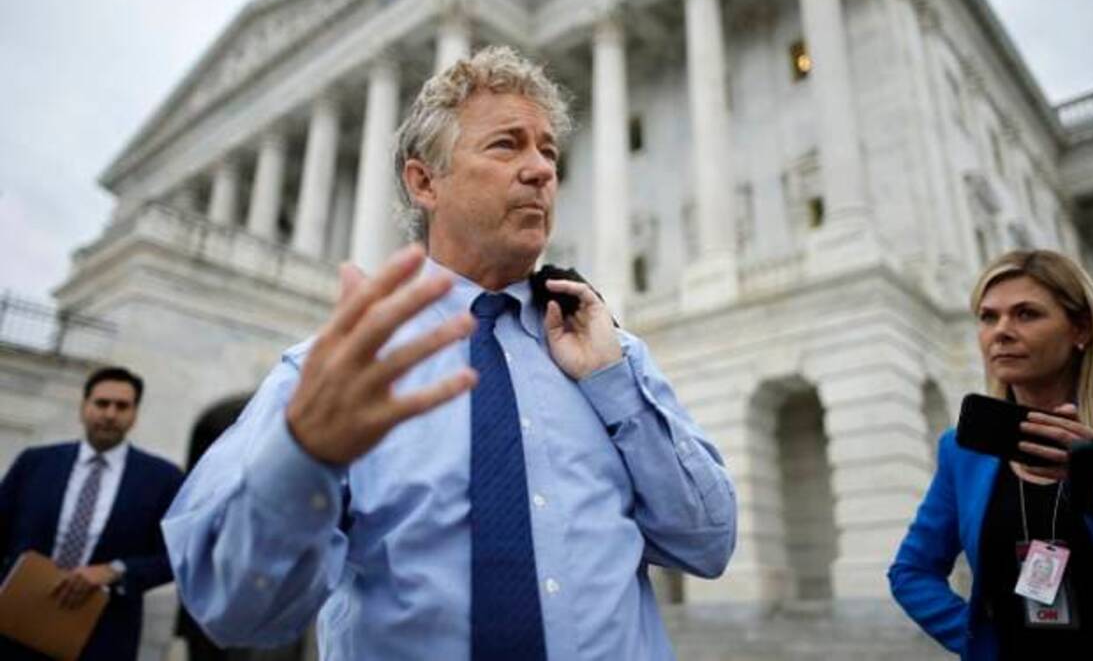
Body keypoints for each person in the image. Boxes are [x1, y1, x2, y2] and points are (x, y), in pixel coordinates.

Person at [163, 46, 737, 660]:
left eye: (548, 150)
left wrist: (614, 384)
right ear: (424, 181)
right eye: (506, 145)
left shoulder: (605, 352)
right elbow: (232, 608)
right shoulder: (332, 374)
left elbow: (708, 543)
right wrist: (303, 455)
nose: (541, 170)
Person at [889, 249, 1093, 660]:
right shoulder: (962, 450)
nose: (1001, 331)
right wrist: (982, 642)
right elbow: (911, 571)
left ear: (1080, 329)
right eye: (988, 317)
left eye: (1026, 314)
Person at [0, 366, 185, 661]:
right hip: (16, 625)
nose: (110, 414)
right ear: (84, 407)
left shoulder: (162, 479)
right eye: (101, 403)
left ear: (135, 414)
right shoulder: (34, 464)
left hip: (103, 636)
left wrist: (115, 570)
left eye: (122, 406)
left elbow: (177, 555)